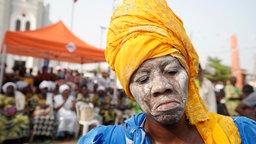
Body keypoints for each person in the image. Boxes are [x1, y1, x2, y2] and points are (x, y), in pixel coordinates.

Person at [78, 0, 256, 143]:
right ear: (129, 90)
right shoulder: (108, 140)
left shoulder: (241, 134)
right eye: (143, 79)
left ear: (188, 72)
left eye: (171, 71)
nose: (161, 86)